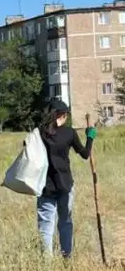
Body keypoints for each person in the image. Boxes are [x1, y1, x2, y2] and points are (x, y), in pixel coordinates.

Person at [37, 98, 96, 259]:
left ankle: (46, 262)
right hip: (65, 184)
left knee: (45, 225)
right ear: (62, 115)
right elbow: (85, 154)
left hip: (45, 186)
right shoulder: (69, 133)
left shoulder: (40, 132)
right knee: (65, 221)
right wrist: (90, 137)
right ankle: (66, 257)